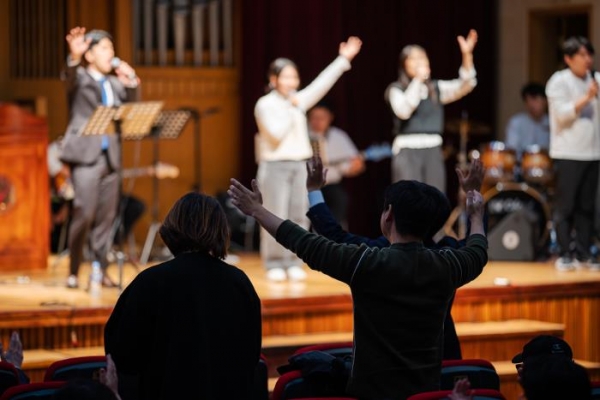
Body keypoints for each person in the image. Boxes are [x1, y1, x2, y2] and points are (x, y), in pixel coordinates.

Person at [229, 177, 488, 399]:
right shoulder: (447, 265)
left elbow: (304, 242)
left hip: (371, 393)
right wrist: (476, 214)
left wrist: (257, 210)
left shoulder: (368, 262)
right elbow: (478, 250)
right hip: (426, 390)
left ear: (388, 215)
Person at [305, 156, 485, 360]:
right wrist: (474, 194)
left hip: (384, 363)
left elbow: (333, 234)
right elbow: (476, 243)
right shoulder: (447, 256)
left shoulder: (373, 256)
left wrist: (314, 190)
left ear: (388, 214)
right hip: (441, 359)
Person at [104, 192, 262, 400]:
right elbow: (251, 355)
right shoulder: (239, 283)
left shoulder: (150, 282)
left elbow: (120, 357)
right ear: (221, 230)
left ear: (173, 226)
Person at [254, 36, 362, 282]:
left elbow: (321, 84)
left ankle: (293, 260)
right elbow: (275, 135)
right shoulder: (266, 104)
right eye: (286, 77)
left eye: (295, 77)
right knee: (276, 213)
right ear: (274, 80)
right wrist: (293, 109)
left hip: (299, 164)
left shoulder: (297, 101)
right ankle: (274, 262)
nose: (292, 81)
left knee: (299, 214)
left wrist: (343, 59)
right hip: (275, 165)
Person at [59, 27, 140, 289]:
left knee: (107, 217)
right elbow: (69, 76)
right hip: (86, 156)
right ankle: (73, 269)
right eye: (104, 48)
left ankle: (100, 268)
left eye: (112, 49)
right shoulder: (80, 77)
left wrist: (131, 81)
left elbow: (132, 106)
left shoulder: (115, 83)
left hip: (111, 156)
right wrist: (73, 57)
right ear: (90, 54)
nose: (110, 53)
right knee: (84, 212)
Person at [385, 29, 478, 194]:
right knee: (409, 200)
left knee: (434, 199)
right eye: (413, 59)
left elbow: (465, 85)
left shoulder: (435, 88)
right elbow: (404, 111)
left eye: (422, 57)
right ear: (404, 64)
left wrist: (467, 56)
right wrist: (418, 80)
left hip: (433, 150)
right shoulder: (396, 89)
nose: (419, 62)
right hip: (407, 151)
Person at [545, 36, 600, 271]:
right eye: (582, 55)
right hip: (567, 151)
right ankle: (565, 253)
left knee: (587, 207)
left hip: (593, 152)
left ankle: (585, 252)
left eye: (590, 54)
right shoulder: (558, 82)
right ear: (568, 58)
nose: (588, 60)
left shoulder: (596, 79)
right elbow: (562, 115)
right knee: (565, 206)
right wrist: (587, 97)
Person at [307, 101, 365, 228]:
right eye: (314, 118)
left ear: (330, 118)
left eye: (322, 118)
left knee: (340, 199)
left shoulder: (338, 136)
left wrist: (356, 166)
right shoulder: (302, 135)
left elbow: (351, 166)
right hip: (306, 187)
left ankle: (337, 238)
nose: (317, 122)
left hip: (330, 185)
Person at [505, 82, 550, 162]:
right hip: (521, 167)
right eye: (527, 100)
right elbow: (512, 149)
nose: (531, 104)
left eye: (534, 99)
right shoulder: (516, 122)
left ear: (545, 100)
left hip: (547, 166)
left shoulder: (552, 123)